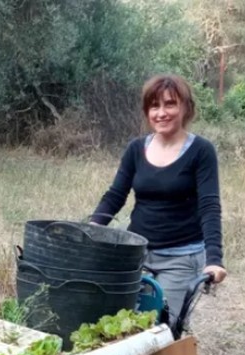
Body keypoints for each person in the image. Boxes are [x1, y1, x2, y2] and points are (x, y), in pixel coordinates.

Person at [90, 74, 227, 330]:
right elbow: (115, 195)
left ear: (185, 107)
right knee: (120, 325)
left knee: (161, 329)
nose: (161, 113)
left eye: (170, 104)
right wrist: (90, 229)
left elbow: (209, 205)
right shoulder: (135, 149)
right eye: (154, 106)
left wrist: (215, 259)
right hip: (137, 254)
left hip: (181, 258)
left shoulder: (201, 151)